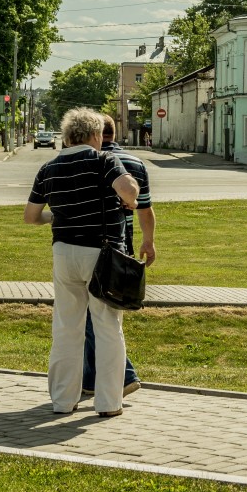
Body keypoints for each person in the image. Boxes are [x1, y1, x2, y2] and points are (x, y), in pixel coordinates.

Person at [23, 107, 140, 417]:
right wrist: (131, 198)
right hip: (100, 255)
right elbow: (129, 191)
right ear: (94, 135)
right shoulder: (102, 160)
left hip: (64, 253)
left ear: (66, 136)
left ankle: (63, 401)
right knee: (107, 326)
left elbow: (30, 217)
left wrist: (56, 217)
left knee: (66, 327)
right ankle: (109, 402)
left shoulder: (47, 168)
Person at [80, 116, 155, 398]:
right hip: (124, 245)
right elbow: (144, 209)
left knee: (98, 312)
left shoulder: (93, 161)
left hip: (94, 244)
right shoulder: (136, 163)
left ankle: (125, 375)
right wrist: (149, 241)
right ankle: (89, 378)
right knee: (103, 307)